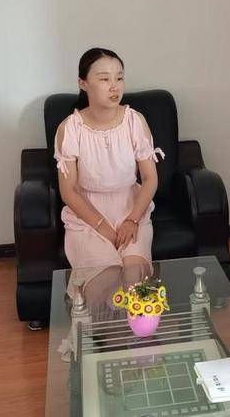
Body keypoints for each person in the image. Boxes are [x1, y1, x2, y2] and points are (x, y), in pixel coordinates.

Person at [54, 48, 163, 288]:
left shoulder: (135, 121)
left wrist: (132, 220)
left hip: (131, 208)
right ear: (83, 83)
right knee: (103, 282)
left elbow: (149, 179)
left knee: (135, 279)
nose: (114, 86)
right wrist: (102, 227)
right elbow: (68, 191)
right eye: (104, 79)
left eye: (119, 78)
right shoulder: (70, 128)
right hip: (87, 214)